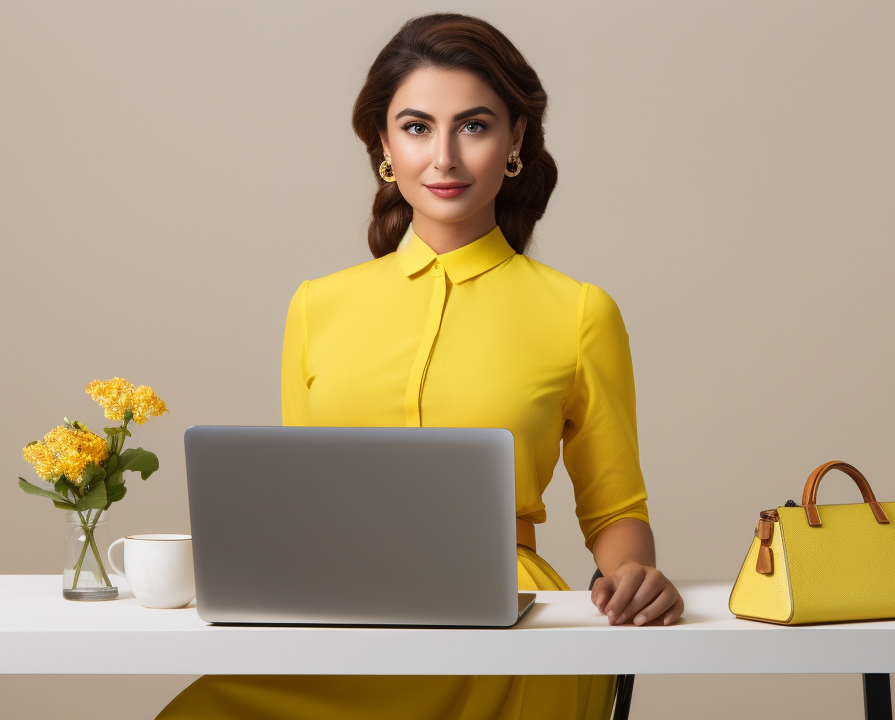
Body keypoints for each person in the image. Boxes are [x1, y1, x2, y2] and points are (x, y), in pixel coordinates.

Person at [156, 12, 684, 720]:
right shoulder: (318, 306)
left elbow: (617, 511)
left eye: (473, 125)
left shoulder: (579, 312)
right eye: (415, 127)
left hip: (507, 626)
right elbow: (304, 506)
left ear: (516, 139)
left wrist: (634, 579)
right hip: (341, 624)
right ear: (382, 142)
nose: (444, 158)